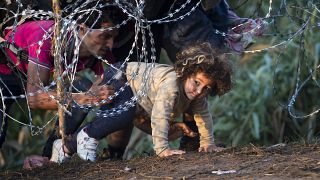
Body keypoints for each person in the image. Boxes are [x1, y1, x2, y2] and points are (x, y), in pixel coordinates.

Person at [50, 42, 233, 163]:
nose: (199, 91)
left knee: (119, 117)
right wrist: (162, 149)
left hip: (137, 97)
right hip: (122, 77)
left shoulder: (197, 95)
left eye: (206, 88)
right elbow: (160, 116)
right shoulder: (172, 86)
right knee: (122, 116)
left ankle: (65, 147)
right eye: (197, 83)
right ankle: (87, 135)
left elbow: (204, 116)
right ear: (187, 72)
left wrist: (208, 143)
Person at [0, 3, 119, 151]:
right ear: (82, 29)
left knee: (82, 87)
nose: (111, 45)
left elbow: (118, 90)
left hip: (36, 76)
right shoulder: (48, 38)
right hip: (6, 72)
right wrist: (86, 97)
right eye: (105, 36)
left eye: (114, 37)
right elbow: (34, 99)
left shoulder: (101, 52)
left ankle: (53, 155)